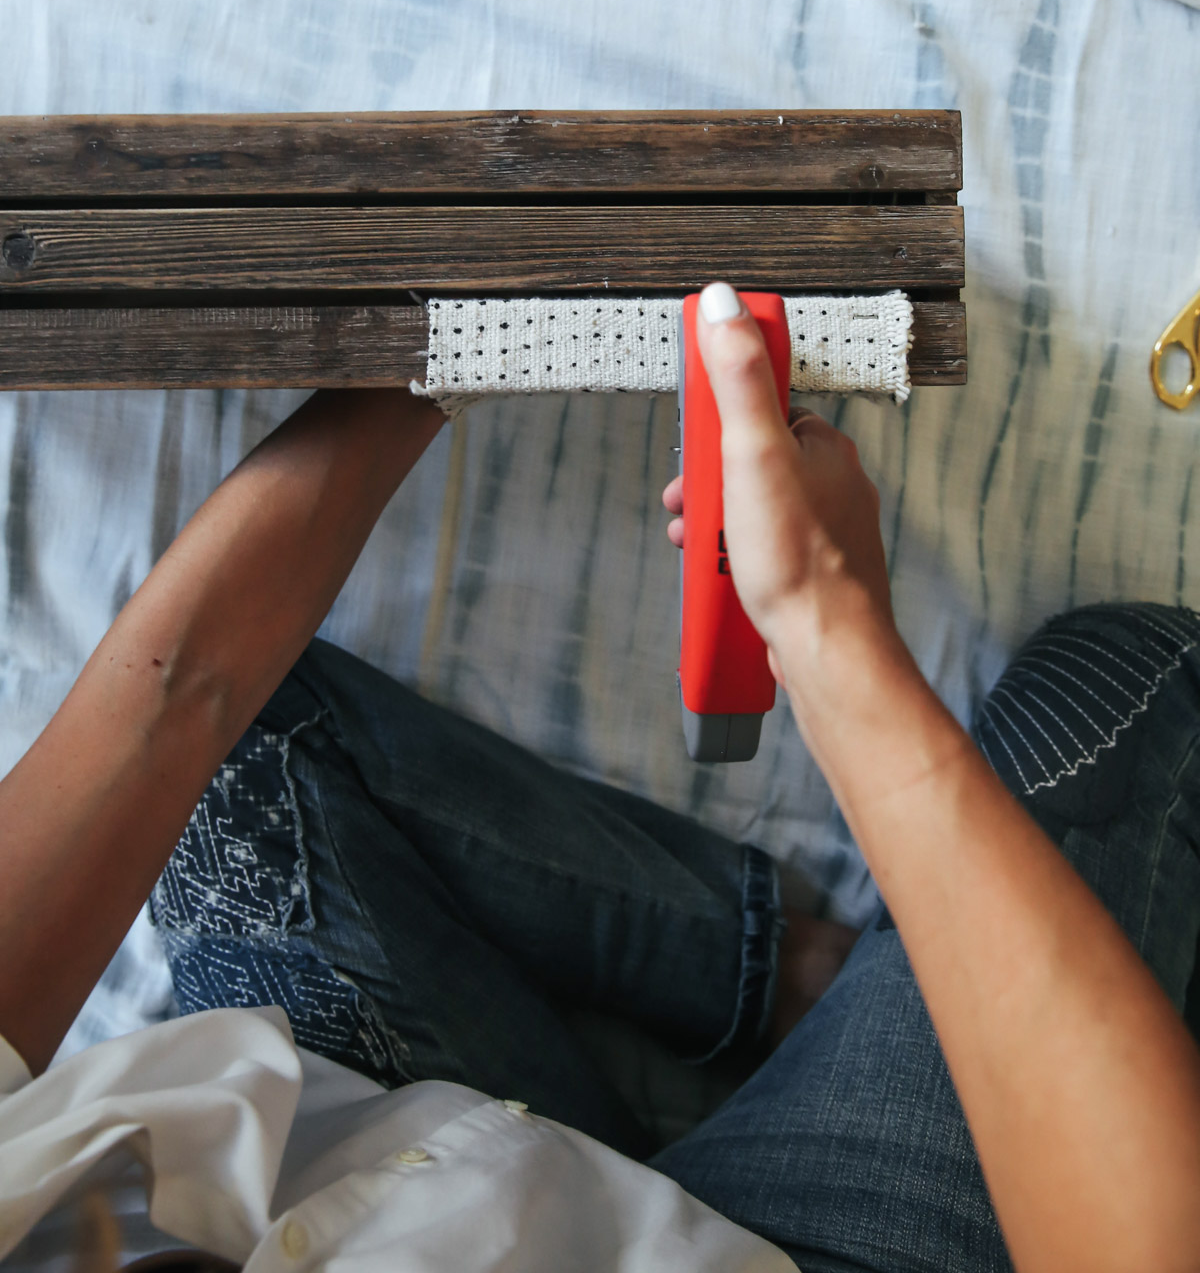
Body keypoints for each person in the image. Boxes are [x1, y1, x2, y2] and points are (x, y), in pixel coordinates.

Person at [0, 282, 1197, 1273]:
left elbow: (179, 697)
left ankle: (770, 974)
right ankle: (815, 992)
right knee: (1129, 694)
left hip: (374, 1136)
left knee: (243, 761)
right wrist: (835, 648)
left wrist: (443, 346)